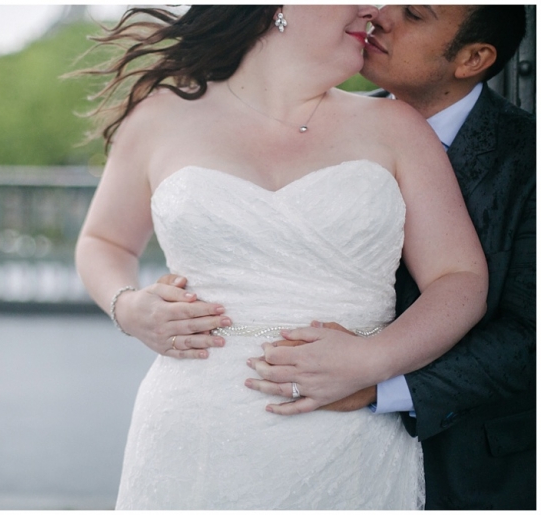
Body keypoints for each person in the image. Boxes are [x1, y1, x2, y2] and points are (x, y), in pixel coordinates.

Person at [74, 5, 488, 509]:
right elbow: (103, 242)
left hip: (346, 438)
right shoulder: (160, 115)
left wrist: (372, 360)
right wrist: (129, 307)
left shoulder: (397, 126)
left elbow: (460, 278)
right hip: (192, 433)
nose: (371, 9)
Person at [241, 5, 535, 510]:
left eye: (415, 15)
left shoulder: (528, 158)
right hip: (293, 439)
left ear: (472, 58)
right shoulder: (323, 120)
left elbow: (529, 335)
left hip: (468, 471)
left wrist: (379, 383)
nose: (380, 15)